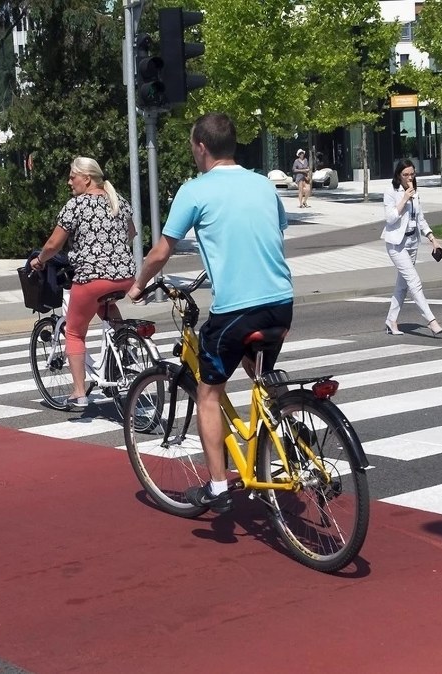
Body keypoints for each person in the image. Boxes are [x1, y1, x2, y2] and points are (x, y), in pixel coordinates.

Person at [126, 112, 294, 514]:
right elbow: (268, 232)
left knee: (208, 391)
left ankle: (218, 486)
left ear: (201, 147)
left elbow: (161, 251)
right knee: (260, 374)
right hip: (282, 302)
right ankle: (286, 431)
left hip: (238, 310)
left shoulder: (194, 190)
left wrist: (136, 287)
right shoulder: (263, 185)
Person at [29, 157, 136, 412]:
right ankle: (123, 348)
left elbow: (54, 244)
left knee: (75, 332)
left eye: (72, 177)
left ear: (86, 178)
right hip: (125, 275)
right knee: (106, 307)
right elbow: (131, 233)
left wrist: (40, 260)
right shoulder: (117, 200)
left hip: (92, 278)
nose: (69, 182)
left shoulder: (76, 205)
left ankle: (79, 393)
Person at [382, 159, 442, 336]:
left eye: (412, 174)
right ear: (398, 175)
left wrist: (433, 239)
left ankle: (391, 320)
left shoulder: (415, 192)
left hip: (411, 242)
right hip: (396, 244)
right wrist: (404, 198)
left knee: (402, 286)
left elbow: (420, 219)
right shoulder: (391, 191)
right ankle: (432, 321)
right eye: (405, 175)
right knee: (414, 282)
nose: (409, 178)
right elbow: (391, 218)